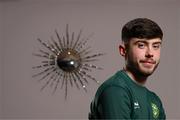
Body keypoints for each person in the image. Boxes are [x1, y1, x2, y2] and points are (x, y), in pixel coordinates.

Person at [89, 18, 166, 119]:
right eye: (141, 45)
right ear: (123, 50)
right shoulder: (115, 90)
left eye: (156, 46)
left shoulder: (154, 100)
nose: (150, 53)